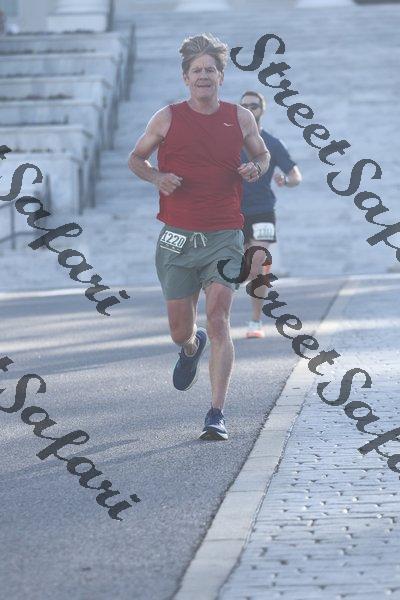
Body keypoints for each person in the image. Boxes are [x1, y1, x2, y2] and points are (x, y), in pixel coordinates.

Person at [128, 34, 270, 440]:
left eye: (210, 69)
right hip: (177, 236)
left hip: (224, 233)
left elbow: (261, 154)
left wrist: (256, 168)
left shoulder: (240, 117)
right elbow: (135, 159)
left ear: (221, 77)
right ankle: (191, 347)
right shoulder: (166, 117)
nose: (204, 76)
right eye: (197, 71)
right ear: (186, 78)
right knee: (179, 330)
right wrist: (157, 177)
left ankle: (216, 413)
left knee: (220, 317)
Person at [239, 91, 302, 339]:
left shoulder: (273, 143)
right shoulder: (228, 141)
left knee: (258, 264)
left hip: (262, 210)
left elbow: (296, 176)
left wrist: (286, 180)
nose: (248, 109)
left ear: (262, 109)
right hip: (231, 212)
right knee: (239, 267)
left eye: (253, 105)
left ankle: (255, 321)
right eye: (244, 105)